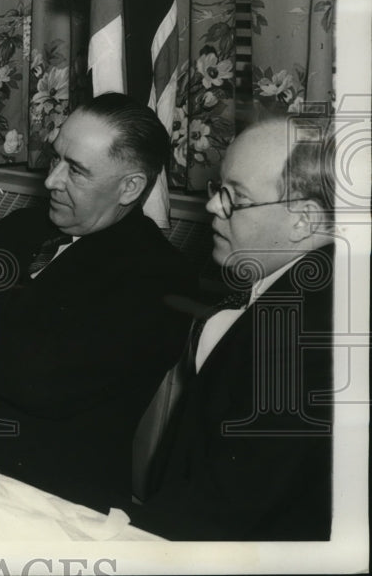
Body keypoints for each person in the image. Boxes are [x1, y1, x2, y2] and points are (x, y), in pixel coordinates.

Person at [0, 93, 197, 510]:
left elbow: (42, 385)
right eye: (56, 159)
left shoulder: (161, 275)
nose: (52, 180)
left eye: (77, 171)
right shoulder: (22, 228)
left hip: (45, 495)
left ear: (130, 188)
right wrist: (9, 338)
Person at [129, 115, 336, 540]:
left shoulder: (297, 332)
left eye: (235, 198)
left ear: (304, 220)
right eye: (218, 189)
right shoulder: (315, 291)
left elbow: (222, 511)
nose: (211, 207)